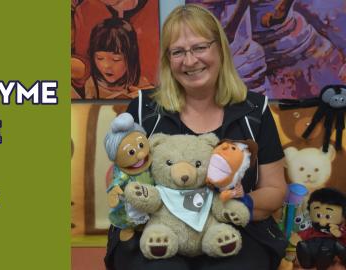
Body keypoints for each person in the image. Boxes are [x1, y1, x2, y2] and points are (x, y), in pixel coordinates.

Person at [104, 4, 288, 270]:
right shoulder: (144, 110)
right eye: (178, 52)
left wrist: (239, 203)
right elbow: (116, 180)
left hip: (232, 231)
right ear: (168, 59)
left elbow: (274, 190)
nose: (190, 61)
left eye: (200, 47)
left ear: (220, 49)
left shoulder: (255, 111)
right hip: (157, 231)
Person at [84, 18, 153, 99]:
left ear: (130, 59)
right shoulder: (92, 84)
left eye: (116, 59)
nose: (106, 65)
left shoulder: (141, 83)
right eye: (100, 58)